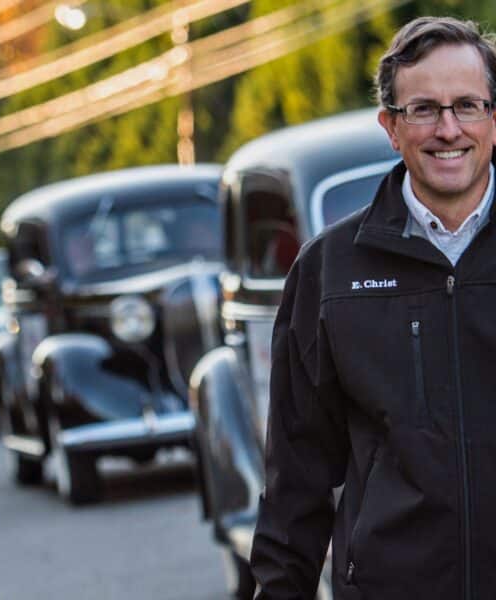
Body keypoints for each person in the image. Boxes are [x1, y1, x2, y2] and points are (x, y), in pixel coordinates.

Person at [250, 16, 496, 600]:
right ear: (390, 126)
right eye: (423, 109)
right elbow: (296, 478)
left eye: (467, 105)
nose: (447, 128)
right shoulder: (328, 271)